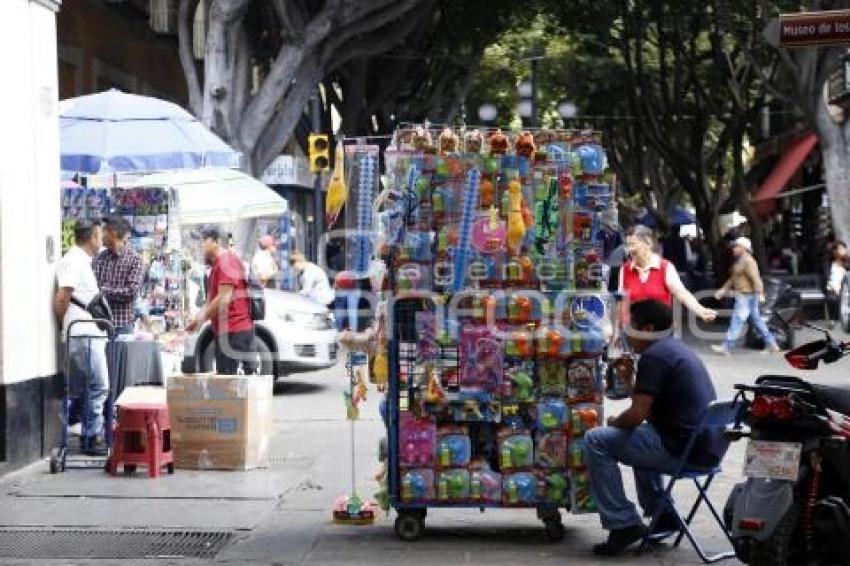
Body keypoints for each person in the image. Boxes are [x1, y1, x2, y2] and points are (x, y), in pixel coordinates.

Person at [584, 300, 725, 556]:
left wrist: (616, 423)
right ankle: (664, 515)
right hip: (706, 448)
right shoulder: (673, 350)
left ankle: (622, 523)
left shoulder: (655, 356)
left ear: (647, 328)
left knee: (597, 440)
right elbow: (646, 402)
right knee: (639, 436)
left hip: (683, 451)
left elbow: (636, 415)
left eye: (631, 325)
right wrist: (630, 382)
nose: (626, 331)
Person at [54, 219, 110, 456]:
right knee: (99, 385)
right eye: (100, 236)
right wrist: (64, 327)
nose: (102, 241)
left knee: (91, 386)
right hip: (82, 332)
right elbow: (62, 297)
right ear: (92, 237)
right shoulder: (73, 261)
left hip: (88, 332)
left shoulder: (81, 261)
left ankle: (89, 434)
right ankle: (91, 436)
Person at [186, 227, 257, 375]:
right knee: (227, 382)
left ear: (217, 242)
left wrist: (201, 319)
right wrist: (197, 320)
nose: (200, 245)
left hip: (234, 331)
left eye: (204, 240)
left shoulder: (226, 261)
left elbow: (223, 299)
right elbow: (211, 299)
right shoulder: (217, 264)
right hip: (228, 331)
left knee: (230, 384)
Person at [617, 225, 716, 331]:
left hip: (660, 331)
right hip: (634, 334)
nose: (630, 249)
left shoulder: (665, 267)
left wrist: (700, 310)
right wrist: (617, 331)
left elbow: (681, 293)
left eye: (633, 244)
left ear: (648, 243)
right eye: (628, 245)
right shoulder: (625, 269)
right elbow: (622, 302)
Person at [711, 237, 780, 354]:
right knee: (756, 320)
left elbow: (756, 279)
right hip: (746, 295)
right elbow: (734, 278)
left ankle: (726, 347)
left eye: (736, 246)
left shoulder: (748, 261)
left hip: (746, 295)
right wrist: (723, 289)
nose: (734, 248)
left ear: (743, 248)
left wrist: (761, 293)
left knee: (737, 320)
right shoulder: (740, 261)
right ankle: (771, 344)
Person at [92, 216, 143, 335]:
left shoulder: (135, 260)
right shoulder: (100, 258)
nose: (101, 235)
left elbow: (131, 292)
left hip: (122, 326)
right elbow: (93, 288)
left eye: (104, 231)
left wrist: (103, 292)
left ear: (113, 233)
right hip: (100, 325)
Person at [825, 240, 847, 320]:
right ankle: (833, 320)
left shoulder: (847, 264)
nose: (844, 251)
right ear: (835, 251)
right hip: (833, 290)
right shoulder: (829, 265)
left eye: (844, 248)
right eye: (841, 249)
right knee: (832, 298)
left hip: (846, 290)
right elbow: (828, 280)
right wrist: (835, 289)